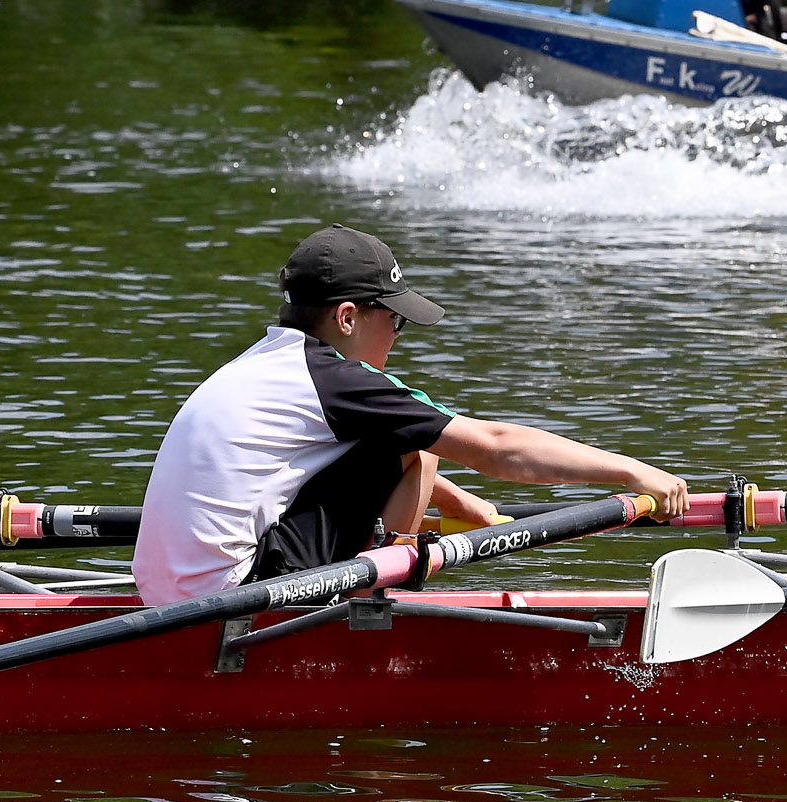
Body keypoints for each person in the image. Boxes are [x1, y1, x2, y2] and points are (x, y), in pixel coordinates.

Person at [133, 224, 691, 604]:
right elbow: (497, 447)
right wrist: (631, 472)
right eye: (394, 321)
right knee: (422, 447)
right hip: (233, 601)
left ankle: (377, 561)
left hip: (164, 590)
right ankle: (377, 594)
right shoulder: (334, 381)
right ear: (347, 317)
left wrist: (469, 507)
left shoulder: (264, 364)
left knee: (409, 443)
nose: (397, 338)